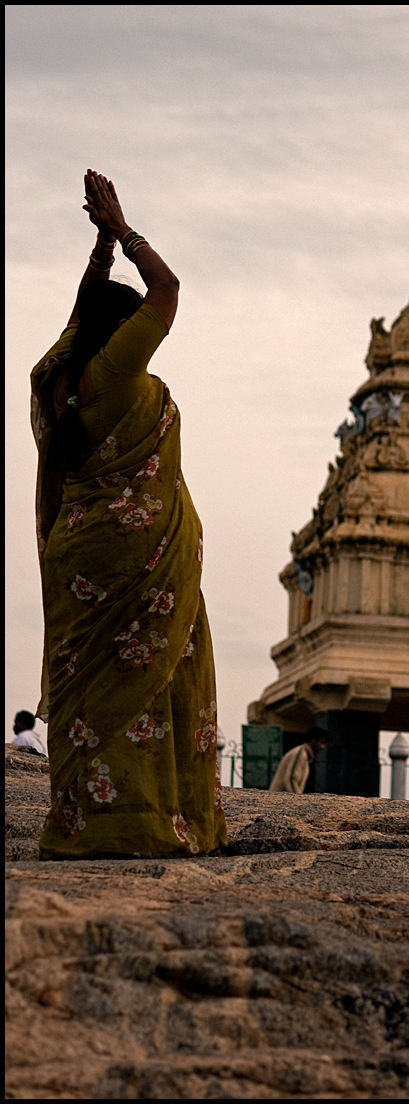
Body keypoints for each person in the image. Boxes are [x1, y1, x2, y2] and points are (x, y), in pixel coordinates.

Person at [29, 170, 227, 860]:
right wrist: (126, 227)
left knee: (90, 691)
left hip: (79, 552)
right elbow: (167, 291)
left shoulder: (60, 381)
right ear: (123, 331)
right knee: (152, 683)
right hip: (139, 557)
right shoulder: (117, 371)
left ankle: (84, 824)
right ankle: (153, 821)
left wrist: (101, 250)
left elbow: (86, 308)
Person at [269, 728, 328, 794]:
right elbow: (290, 779)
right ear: (313, 740)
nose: (323, 747)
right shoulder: (301, 754)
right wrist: (299, 800)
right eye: (322, 742)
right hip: (279, 800)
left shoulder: (304, 755)